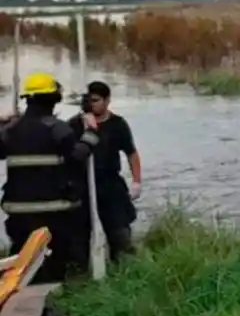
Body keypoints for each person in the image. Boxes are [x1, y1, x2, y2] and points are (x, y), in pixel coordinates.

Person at [0, 72, 100, 283]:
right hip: (54, 214)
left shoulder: (10, 131)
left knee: (22, 264)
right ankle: (50, 303)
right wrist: (91, 135)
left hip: (19, 215)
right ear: (53, 99)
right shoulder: (58, 129)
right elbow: (76, 158)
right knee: (54, 264)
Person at [68, 81, 141, 263]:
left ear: (107, 100)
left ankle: (124, 268)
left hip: (110, 185)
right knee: (79, 236)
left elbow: (131, 153)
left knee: (120, 233)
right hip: (82, 185)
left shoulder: (118, 124)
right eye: (89, 100)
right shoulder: (75, 124)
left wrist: (136, 181)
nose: (92, 104)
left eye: (96, 100)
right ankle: (81, 271)